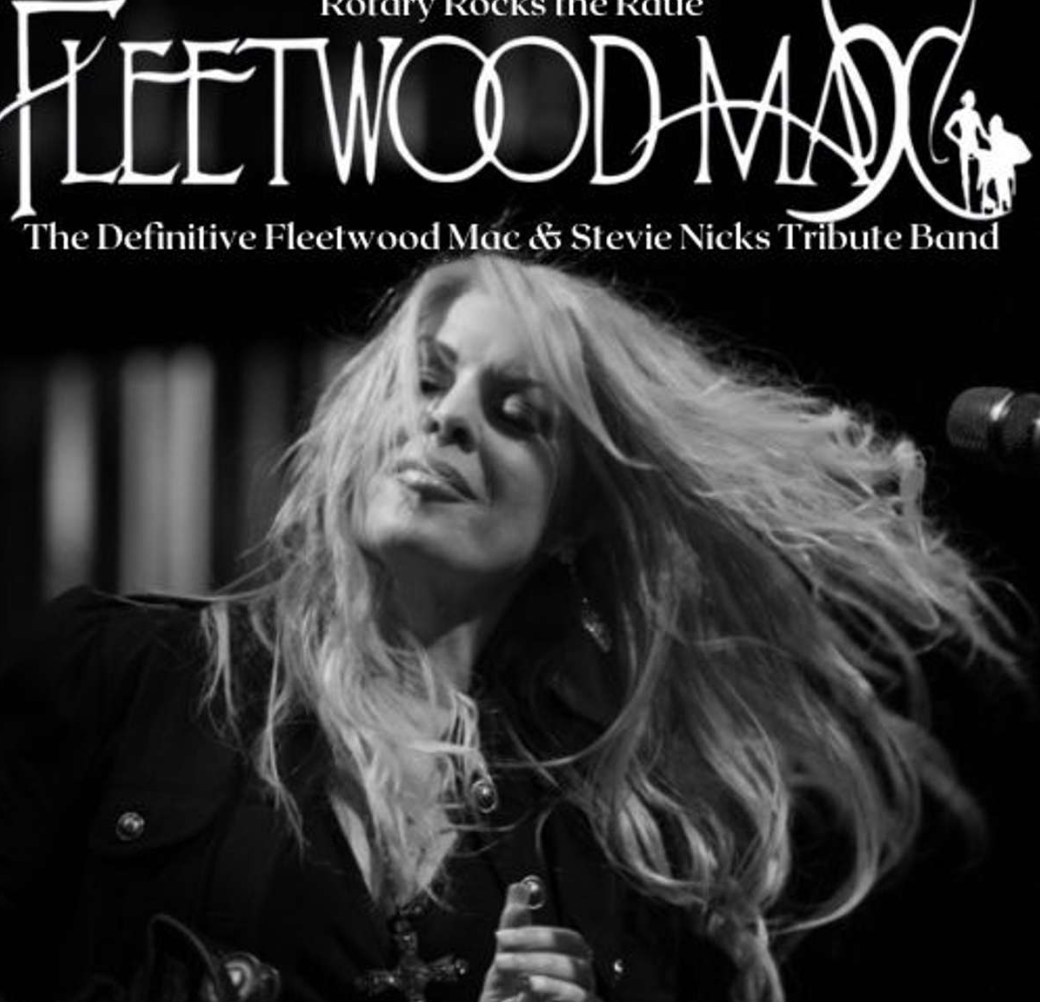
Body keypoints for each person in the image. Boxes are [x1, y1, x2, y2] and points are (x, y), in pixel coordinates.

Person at [0, 255, 1016, 1002]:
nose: (445, 419)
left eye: (517, 414)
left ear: (573, 519)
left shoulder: (605, 853)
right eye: (427, 378)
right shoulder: (122, 677)